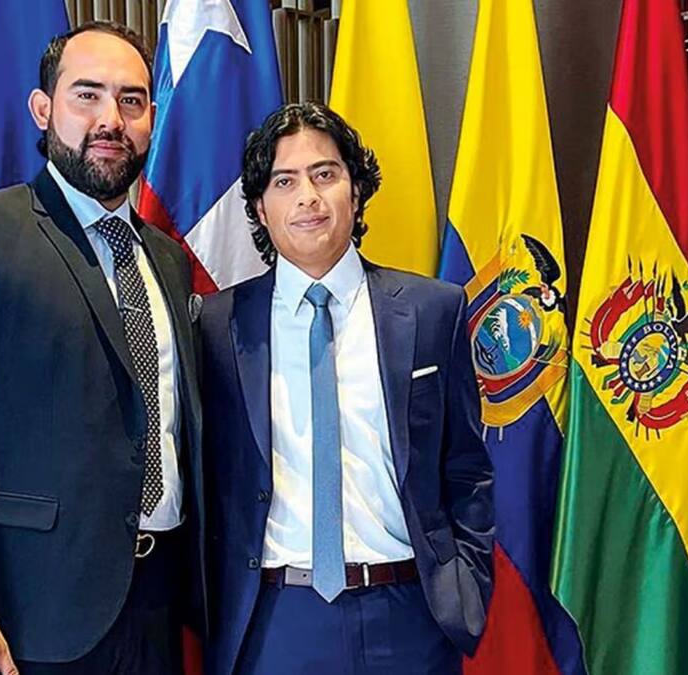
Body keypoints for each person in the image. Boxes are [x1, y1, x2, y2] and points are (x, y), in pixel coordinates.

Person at [0, 21, 203, 675]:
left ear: (152, 118)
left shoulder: (169, 261)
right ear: (43, 108)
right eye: (87, 95)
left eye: (131, 100)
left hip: (160, 603)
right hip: (30, 616)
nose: (110, 119)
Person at [200, 102, 494, 675]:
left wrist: (467, 585)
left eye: (325, 174)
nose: (308, 197)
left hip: (409, 613)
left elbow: (466, 468)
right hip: (275, 620)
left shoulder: (433, 311)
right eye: (285, 182)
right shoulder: (216, 325)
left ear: (355, 191)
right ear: (260, 208)